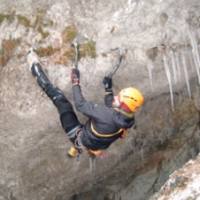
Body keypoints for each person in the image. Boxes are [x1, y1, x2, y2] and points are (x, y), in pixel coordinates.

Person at [26, 48, 144, 158]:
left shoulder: (106, 114)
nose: (115, 98)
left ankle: (33, 65)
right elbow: (111, 112)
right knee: (99, 121)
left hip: (80, 136)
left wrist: (75, 82)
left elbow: (80, 104)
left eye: (119, 98)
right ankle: (82, 147)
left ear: (125, 105)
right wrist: (108, 90)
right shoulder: (128, 119)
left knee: (60, 100)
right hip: (96, 143)